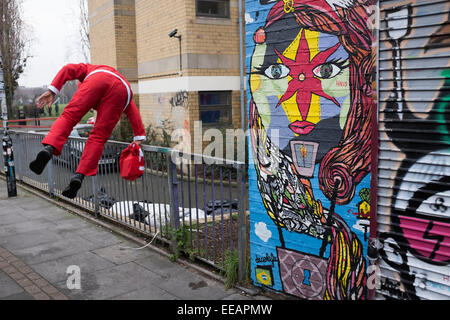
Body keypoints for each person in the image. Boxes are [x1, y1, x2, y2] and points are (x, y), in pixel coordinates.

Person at [30, 63, 146, 199]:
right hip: (123, 91)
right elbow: (133, 111)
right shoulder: (107, 76)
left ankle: (49, 148)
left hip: (97, 79)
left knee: (69, 116)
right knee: (99, 137)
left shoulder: (87, 70)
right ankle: (79, 176)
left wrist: (53, 90)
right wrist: (139, 137)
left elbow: (67, 69)